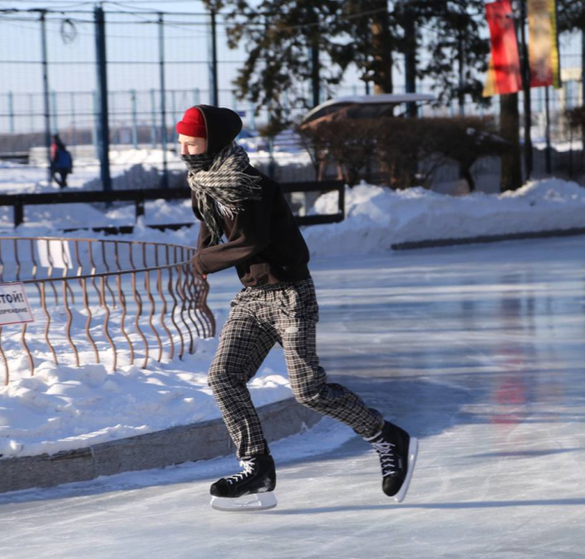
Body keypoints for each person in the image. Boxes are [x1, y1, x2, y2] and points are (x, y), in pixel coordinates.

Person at [176, 105, 418, 508]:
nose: (184, 152)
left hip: (290, 296)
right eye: (181, 144)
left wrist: (202, 263)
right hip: (252, 300)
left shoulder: (252, 186)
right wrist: (201, 259)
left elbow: (249, 243)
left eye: (191, 143)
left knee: (309, 391)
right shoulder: (206, 183)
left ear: (213, 143)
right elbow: (211, 238)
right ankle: (257, 467)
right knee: (223, 377)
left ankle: (386, 436)